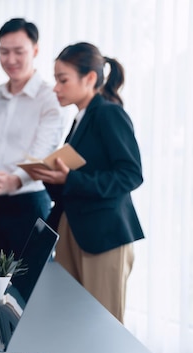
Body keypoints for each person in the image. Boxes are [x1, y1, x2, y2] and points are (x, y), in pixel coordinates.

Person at [27, 42, 144, 323]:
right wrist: (51, 176)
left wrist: (71, 178)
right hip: (74, 230)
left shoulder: (108, 113)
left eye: (62, 79)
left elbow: (130, 174)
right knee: (73, 321)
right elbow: (77, 179)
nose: (56, 87)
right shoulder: (82, 118)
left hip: (102, 236)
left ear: (89, 78)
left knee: (102, 325)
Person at [0, 18, 63, 258]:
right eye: (4, 52)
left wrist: (14, 180)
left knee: (28, 285)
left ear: (35, 50)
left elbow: (44, 152)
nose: (10, 60)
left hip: (30, 203)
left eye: (18, 52)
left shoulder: (49, 98)